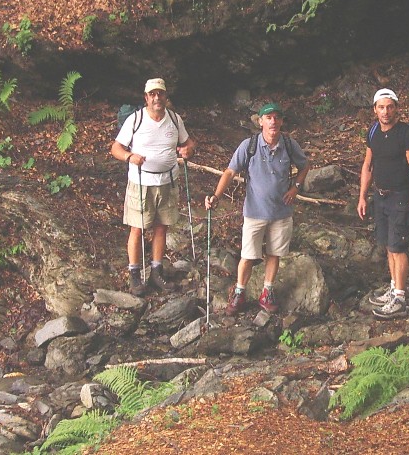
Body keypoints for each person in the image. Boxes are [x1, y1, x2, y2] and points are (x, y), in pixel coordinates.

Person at [205, 102, 310, 315]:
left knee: (274, 254)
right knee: (248, 255)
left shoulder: (289, 145)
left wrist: (295, 189)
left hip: (281, 212)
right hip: (254, 211)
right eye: (268, 117)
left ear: (281, 121)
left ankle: (267, 291)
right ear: (260, 122)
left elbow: (304, 166)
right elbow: (230, 171)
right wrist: (216, 195)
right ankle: (239, 292)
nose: (273, 121)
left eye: (276, 118)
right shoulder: (249, 146)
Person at [110, 78, 196, 296]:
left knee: (161, 226)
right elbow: (116, 148)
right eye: (153, 94)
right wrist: (130, 156)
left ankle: (157, 272)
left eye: (161, 93)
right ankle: (135, 275)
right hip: (141, 182)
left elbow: (188, 143)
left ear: (166, 97)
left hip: (167, 181)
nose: (157, 97)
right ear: (146, 98)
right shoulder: (135, 120)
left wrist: (187, 151)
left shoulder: (175, 120)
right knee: (137, 228)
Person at [357, 88, 409, 319]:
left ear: (396, 108)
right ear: (375, 109)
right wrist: (362, 196)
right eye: (381, 107)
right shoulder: (374, 131)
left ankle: (400, 298)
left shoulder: (406, 134)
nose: (385, 112)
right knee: (387, 244)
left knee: (399, 246)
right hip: (380, 196)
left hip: (400, 196)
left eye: (390, 107)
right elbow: (368, 166)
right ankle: (394, 288)